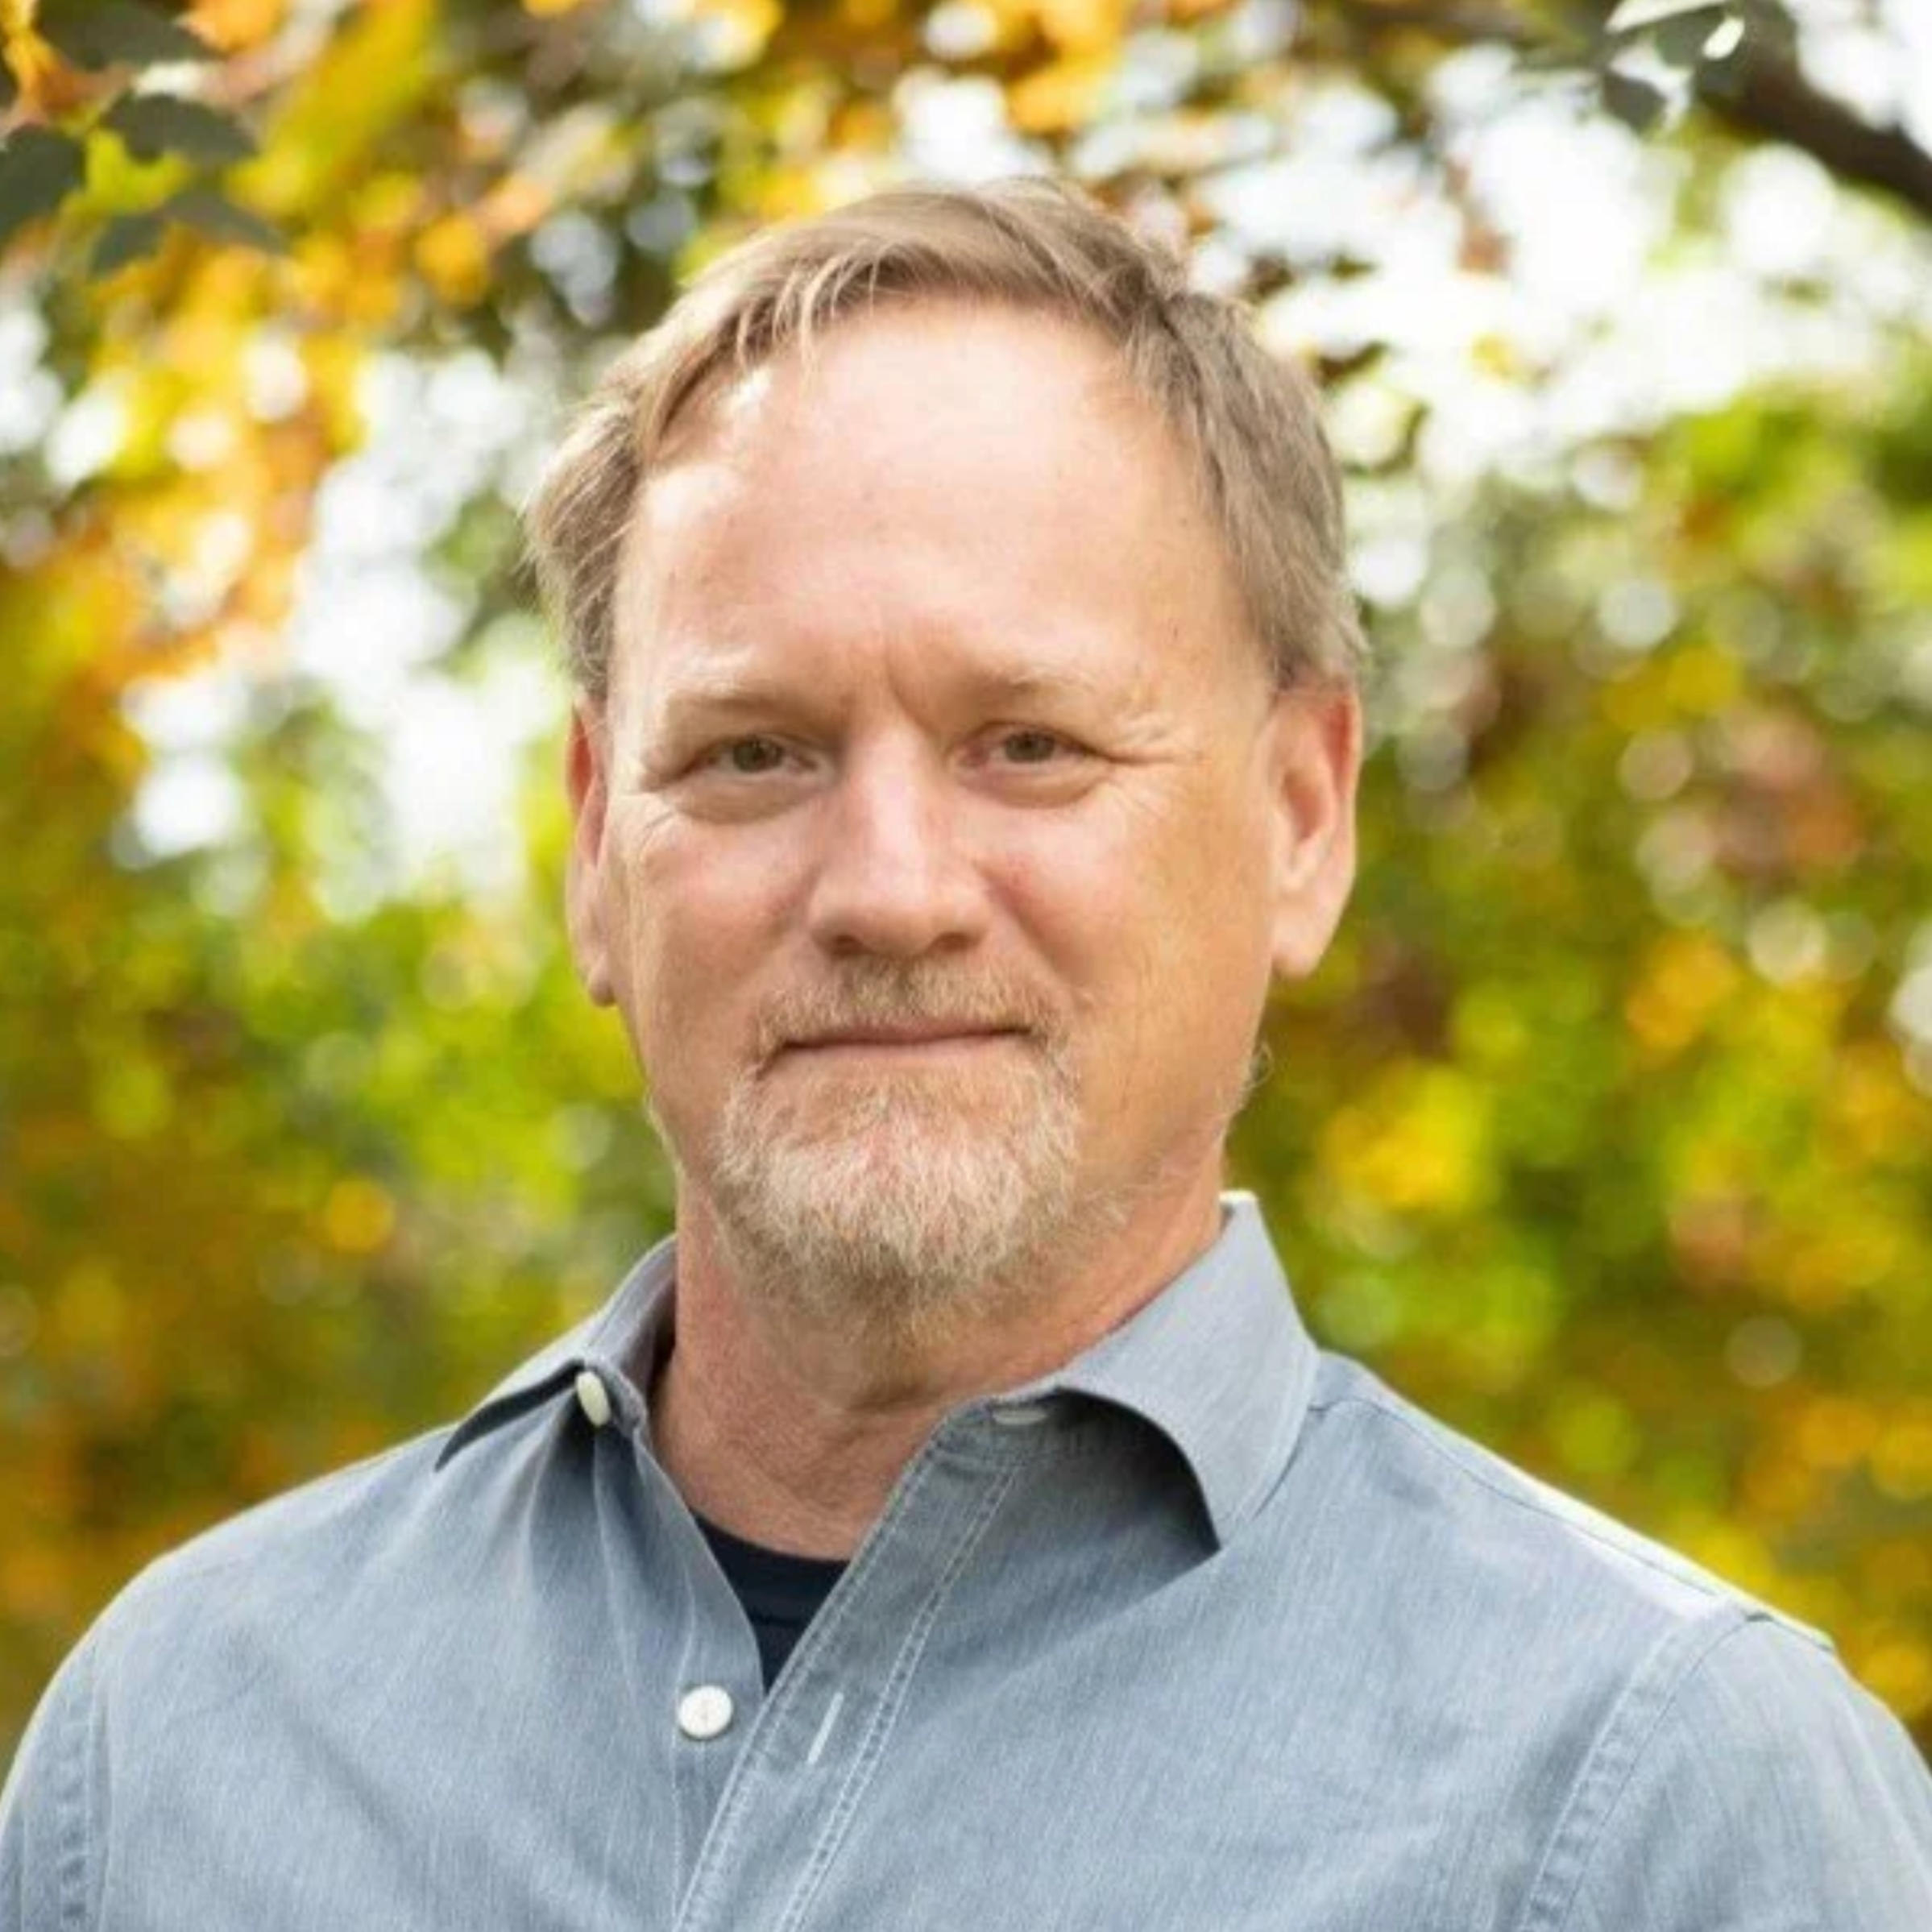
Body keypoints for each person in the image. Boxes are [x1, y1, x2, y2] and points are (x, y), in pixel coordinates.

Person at [4, 177, 1930, 1930]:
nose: (890, 889)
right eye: (754, 751)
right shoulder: (177, 1747)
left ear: (1301, 815)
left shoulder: (1656, 1797)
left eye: (1029, 744)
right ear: (596, 841)